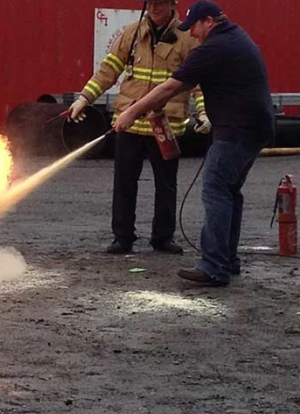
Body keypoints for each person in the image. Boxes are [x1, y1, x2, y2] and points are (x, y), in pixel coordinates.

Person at [114, 0, 275, 286]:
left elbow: (172, 85)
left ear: (208, 22)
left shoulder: (214, 47)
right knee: (230, 191)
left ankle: (214, 267)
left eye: (195, 28)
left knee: (215, 189)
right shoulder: (236, 36)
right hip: (256, 127)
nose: (193, 35)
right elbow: (188, 84)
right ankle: (228, 259)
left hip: (237, 130)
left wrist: (131, 112)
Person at [68, 0, 211, 255]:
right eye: (151, 4)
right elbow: (108, 70)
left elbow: (198, 81)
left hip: (166, 123)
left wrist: (203, 111)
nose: (154, 9)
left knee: (166, 184)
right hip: (129, 122)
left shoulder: (186, 39)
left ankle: (163, 238)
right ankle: (122, 238)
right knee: (124, 182)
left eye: (160, 4)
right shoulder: (132, 34)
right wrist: (84, 99)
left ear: (172, 5)